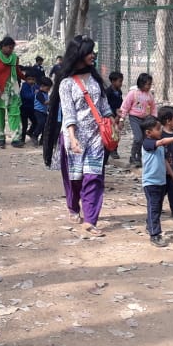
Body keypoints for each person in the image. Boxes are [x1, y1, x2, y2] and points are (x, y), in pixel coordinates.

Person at [42, 36, 114, 237]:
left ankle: (90, 220)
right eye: (89, 52)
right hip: (74, 138)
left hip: (96, 138)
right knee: (75, 179)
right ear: (79, 54)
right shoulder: (66, 83)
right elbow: (68, 112)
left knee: (94, 177)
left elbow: (104, 105)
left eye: (93, 51)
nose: (93, 55)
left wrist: (112, 120)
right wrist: (72, 138)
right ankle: (73, 207)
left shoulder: (96, 80)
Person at [141, 115, 173, 247]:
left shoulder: (159, 145)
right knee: (154, 207)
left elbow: (164, 161)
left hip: (161, 181)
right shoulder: (148, 143)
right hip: (150, 183)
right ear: (148, 132)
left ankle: (150, 225)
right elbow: (162, 142)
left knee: (157, 207)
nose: (160, 130)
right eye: (158, 128)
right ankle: (155, 235)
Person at [0, 36, 27, 148]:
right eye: (9, 47)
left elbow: (17, 71)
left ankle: (16, 138)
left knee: (15, 113)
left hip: (13, 91)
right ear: (3, 46)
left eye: (12, 48)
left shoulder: (14, 57)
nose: (11, 50)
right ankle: (0, 138)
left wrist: (26, 78)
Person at [119, 72, 157, 167]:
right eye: (148, 84)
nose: (149, 86)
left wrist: (154, 119)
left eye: (150, 84)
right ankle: (133, 156)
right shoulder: (133, 93)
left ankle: (139, 158)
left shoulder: (149, 95)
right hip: (134, 118)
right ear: (141, 83)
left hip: (145, 119)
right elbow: (125, 106)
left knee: (144, 139)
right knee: (138, 138)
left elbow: (153, 108)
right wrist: (122, 119)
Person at [105, 71, 125, 159]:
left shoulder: (119, 91)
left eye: (121, 81)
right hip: (109, 116)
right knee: (109, 133)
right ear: (113, 81)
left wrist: (120, 116)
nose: (121, 83)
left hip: (117, 115)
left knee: (116, 133)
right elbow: (106, 105)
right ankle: (108, 149)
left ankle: (114, 150)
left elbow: (121, 103)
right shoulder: (108, 92)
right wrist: (114, 112)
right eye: (119, 81)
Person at [32, 76, 52, 146]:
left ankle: (43, 140)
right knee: (41, 123)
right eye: (48, 88)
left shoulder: (45, 93)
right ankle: (35, 135)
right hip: (38, 111)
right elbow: (44, 102)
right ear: (42, 86)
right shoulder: (39, 94)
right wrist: (52, 100)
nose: (48, 90)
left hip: (44, 112)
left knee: (46, 125)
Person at [19, 69, 38, 144]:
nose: (31, 81)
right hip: (24, 108)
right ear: (26, 79)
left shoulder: (35, 86)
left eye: (33, 79)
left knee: (35, 122)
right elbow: (25, 96)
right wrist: (34, 94)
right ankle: (22, 139)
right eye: (29, 79)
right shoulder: (24, 86)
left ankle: (30, 132)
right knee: (25, 125)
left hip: (32, 108)